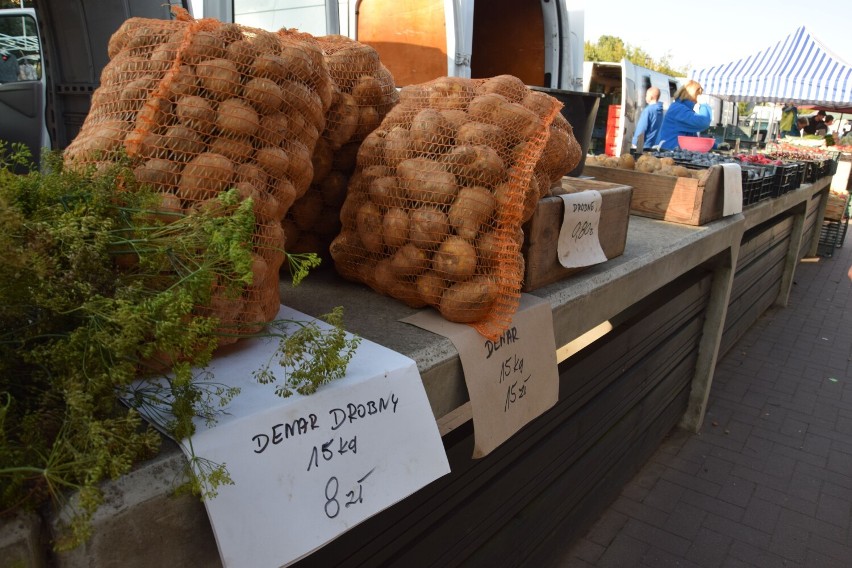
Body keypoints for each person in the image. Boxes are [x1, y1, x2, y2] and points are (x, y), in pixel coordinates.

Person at [657, 80, 712, 150]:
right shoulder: (679, 109)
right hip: (671, 152)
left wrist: (714, 146)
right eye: (699, 94)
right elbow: (702, 122)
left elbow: (692, 138)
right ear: (695, 94)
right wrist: (704, 104)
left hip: (674, 151)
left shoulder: (681, 108)